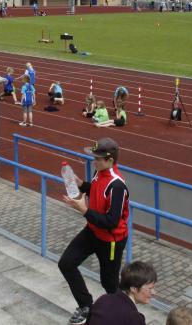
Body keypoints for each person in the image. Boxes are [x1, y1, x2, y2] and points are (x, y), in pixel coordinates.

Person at [59, 138, 130, 325]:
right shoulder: (99, 172)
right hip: (92, 231)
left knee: (109, 284)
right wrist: (80, 183)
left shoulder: (117, 186)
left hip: (111, 240)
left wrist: (84, 210)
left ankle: (124, 316)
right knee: (66, 263)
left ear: (110, 160)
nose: (93, 161)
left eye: (97, 158)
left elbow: (111, 222)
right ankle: (86, 306)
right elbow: (95, 189)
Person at [87, 261, 157, 325]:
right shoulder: (134, 319)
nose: (154, 292)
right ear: (134, 289)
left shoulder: (103, 299)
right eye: (150, 288)